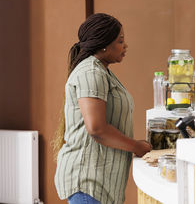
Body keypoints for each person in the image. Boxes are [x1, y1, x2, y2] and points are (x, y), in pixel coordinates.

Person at [53, 13, 152, 204]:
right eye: (120, 41)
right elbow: (97, 129)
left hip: (101, 182)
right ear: (104, 44)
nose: (125, 46)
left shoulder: (102, 70)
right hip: (88, 182)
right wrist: (135, 146)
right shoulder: (91, 72)